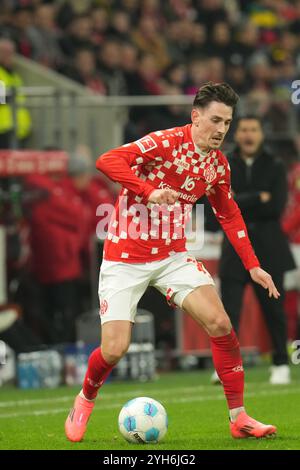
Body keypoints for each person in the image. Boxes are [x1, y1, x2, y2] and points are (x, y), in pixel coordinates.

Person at [65, 82, 279, 442]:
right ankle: (85, 398)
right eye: (215, 120)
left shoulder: (217, 165)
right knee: (115, 348)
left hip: (172, 256)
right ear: (195, 117)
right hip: (124, 257)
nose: (221, 130)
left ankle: (239, 417)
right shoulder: (163, 142)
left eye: (227, 122)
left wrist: (253, 265)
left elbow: (229, 215)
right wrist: (148, 192)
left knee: (220, 323)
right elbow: (108, 160)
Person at [215, 116, 295, 385]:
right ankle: (227, 367)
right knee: (228, 312)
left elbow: (276, 206)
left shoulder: (274, 165)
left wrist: (240, 200)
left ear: (261, 134)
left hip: (270, 248)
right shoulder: (223, 163)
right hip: (234, 248)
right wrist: (257, 197)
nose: (249, 135)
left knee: (274, 311)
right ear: (236, 134)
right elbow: (223, 205)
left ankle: (281, 363)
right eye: (244, 130)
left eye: (254, 130)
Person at [0, 38, 32, 149]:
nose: (8, 56)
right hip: (4, 129)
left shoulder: (15, 76)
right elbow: (1, 100)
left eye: (11, 53)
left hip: (20, 129)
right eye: (4, 52)